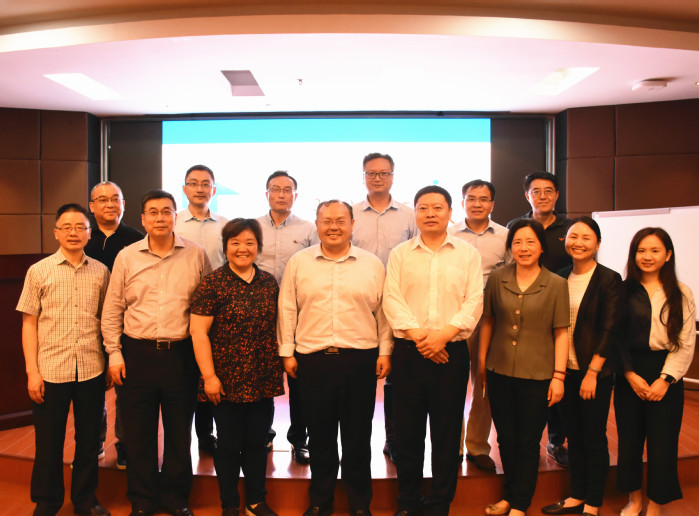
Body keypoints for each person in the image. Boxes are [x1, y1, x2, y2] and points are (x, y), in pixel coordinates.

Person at [278, 200, 392, 516]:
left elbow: (383, 312)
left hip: (360, 360)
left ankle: (359, 504)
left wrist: (385, 351)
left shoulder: (372, 264)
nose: (333, 227)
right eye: (326, 221)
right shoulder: (299, 263)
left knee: (358, 436)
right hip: (313, 360)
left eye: (340, 220)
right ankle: (320, 501)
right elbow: (287, 308)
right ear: (316, 224)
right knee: (320, 436)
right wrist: (286, 351)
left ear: (352, 224)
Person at [102, 189, 212, 516]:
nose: (160, 218)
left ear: (176, 216)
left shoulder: (196, 255)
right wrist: (114, 353)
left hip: (181, 356)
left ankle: (176, 498)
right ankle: (142, 500)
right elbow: (112, 310)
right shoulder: (127, 257)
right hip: (137, 354)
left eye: (166, 211)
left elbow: (208, 307)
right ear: (142, 218)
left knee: (179, 433)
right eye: (153, 212)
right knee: (139, 434)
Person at [383, 185, 483, 516]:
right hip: (409, 353)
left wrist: (444, 337)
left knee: (447, 432)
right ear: (414, 213)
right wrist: (423, 339)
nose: (430, 213)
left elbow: (474, 300)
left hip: (451, 353)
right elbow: (392, 299)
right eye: (423, 207)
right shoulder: (400, 254)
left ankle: (440, 503)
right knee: (407, 433)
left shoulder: (467, 254)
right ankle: (408, 502)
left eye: (437, 208)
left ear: (450, 213)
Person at [17, 203, 111, 516]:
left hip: (91, 368)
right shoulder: (38, 271)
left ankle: (85, 500)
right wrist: (32, 372)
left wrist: (109, 360)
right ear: (56, 233)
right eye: (66, 227)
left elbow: (106, 320)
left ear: (89, 233)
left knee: (89, 440)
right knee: (49, 441)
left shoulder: (101, 271)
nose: (73, 232)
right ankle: (47, 501)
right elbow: (28, 323)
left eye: (80, 227)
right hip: (50, 370)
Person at [190, 218, 283, 516]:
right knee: (229, 445)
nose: (242, 249)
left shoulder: (269, 282)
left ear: (258, 246)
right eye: (235, 243)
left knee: (258, 442)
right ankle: (229, 504)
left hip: (261, 376)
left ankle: (256, 501)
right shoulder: (212, 283)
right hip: (224, 379)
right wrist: (209, 377)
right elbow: (198, 333)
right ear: (226, 247)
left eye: (249, 243)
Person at [479, 219, 569, 516]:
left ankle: (520, 503)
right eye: (517, 242)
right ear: (510, 248)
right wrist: (482, 364)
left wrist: (559, 376)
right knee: (505, 438)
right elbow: (488, 321)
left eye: (530, 242)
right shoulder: (497, 278)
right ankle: (509, 495)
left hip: (538, 374)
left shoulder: (556, 284)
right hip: (499, 370)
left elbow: (561, 332)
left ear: (542, 247)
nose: (524, 248)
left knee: (528, 440)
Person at [541, 217, 623, 516]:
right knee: (573, 436)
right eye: (573, 236)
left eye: (586, 237)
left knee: (594, 437)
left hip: (594, 372)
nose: (578, 242)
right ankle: (576, 495)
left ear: (597, 243)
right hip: (565, 371)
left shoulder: (609, 279)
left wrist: (592, 373)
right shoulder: (560, 276)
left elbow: (610, 329)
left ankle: (593, 502)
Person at [615, 227, 695, 516]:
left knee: (663, 443)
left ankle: (656, 503)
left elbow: (686, 341)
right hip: (629, 370)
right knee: (630, 440)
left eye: (654, 250)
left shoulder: (681, 292)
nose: (647, 256)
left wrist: (666, 379)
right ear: (633, 254)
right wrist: (629, 374)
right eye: (641, 250)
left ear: (668, 255)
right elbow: (615, 337)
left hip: (666, 371)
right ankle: (634, 499)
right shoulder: (622, 290)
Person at [352, 152, 417, 464]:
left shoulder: (409, 216)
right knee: (360, 373)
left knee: (396, 376)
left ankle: (394, 438)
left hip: (400, 301)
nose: (377, 178)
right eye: (371, 173)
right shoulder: (350, 214)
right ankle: (355, 442)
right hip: (358, 302)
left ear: (393, 176)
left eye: (383, 173)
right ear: (363, 176)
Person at [507, 171, 572, 467]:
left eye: (548, 191)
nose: (542, 196)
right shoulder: (516, 226)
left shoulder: (569, 228)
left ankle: (556, 440)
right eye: (536, 191)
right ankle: (523, 441)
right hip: (522, 312)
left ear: (557, 194)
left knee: (556, 377)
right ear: (527, 195)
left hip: (559, 309)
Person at [256, 170, 317, 465]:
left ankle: (299, 439)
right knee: (262, 377)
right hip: (260, 313)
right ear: (266, 193)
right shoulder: (252, 227)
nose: (281, 194)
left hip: (300, 313)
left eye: (287, 189)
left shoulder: (308, 229)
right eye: (275, 189)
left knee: (300, 380)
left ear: (295, 195)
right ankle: (263, 434)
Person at [449, 179, 508, 472]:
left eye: (483, 199)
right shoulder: (447, 234)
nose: (477, 204)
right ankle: (453, 446)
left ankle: (477, 445)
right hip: (453, 320)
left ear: (492, 204)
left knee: (484, 384)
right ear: (462, 202)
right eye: (471, 198)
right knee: (451, 385)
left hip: (489, 320)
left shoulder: (505, 237)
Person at [85, 181, 144, 470]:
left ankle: (124, 445)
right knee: (92, 389)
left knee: (126, 389)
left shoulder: (137, 239)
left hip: (127, 324)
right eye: (102, 199)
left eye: (115, 199)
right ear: (91, 206)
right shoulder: (83, 237)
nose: (110, 204)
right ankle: (94, 442)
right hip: (86, 323)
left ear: (123, 204)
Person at [175, 164, 228, 456]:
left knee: (217, 368)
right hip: (184, 309)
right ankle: (202, 435)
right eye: (193, 183)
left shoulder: (226, 225)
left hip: (221, 308)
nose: (199, 188)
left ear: (214, 190)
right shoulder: (174, 223)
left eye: (205, 183)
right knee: (194, 373)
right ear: (184, 189)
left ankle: (222, 431)